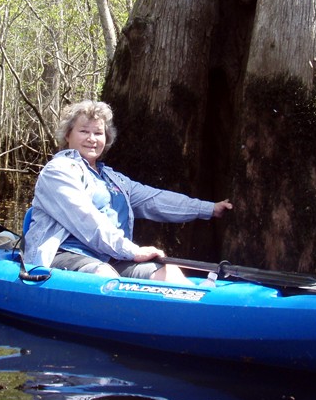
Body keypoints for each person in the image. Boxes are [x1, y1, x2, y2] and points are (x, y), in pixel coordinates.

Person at [23, 100, 233, 281]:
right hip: (64, 253)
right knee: (104, 275)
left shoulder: (113, 179)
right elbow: (86, 220)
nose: (92, 138)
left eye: (98, 133)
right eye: (84, 131)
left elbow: (155, 200)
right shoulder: (58, 171)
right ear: (68, 135)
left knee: (170, 274)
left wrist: (209, 209)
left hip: (110, 255)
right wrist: (132, 250)